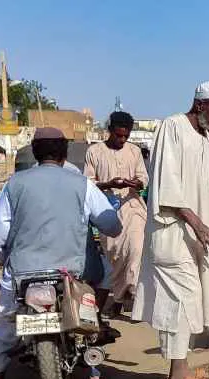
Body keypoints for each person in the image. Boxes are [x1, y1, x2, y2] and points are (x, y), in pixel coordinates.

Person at [0, 128, 122, 379]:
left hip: (23, 270)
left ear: (35, 152)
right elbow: (112, 226)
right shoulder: (82, 184)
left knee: (2, 320)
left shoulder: (14, 184)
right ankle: (93, 324)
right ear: (64, 153)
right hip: (71, 271)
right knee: (104, 272)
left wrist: (4, 259)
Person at [132, 81, 209, 379]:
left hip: (193, 239)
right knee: (179, 305)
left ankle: (179, 371)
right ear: (199, 105)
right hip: (172, 236)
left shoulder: (204, 138)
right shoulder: (173, 127)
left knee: (188, 303)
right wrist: (197, 224)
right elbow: (166, 185)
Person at [84, 111, 150, 314]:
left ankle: (134, 298)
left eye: (125, 136)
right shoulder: (95, 151)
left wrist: (135, 183)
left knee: (136, 250)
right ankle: (120, 298)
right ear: (110, 131)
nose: (122, 140)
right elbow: (87, 183)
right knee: (116, 257)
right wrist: (108, 184)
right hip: (106, 210)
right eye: (118, 135)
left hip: (133, 207)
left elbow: (143, 178)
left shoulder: (134, 151)